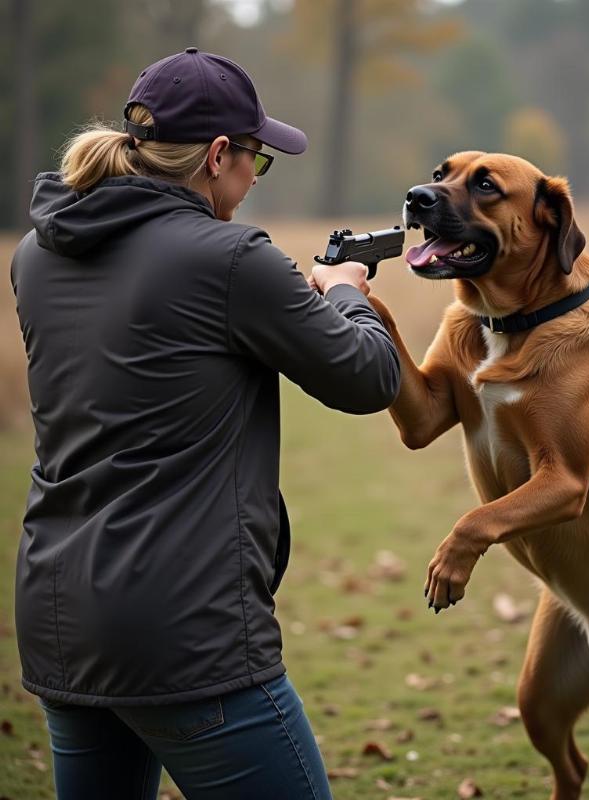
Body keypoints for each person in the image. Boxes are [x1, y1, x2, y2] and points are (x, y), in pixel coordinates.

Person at [10, 48, 400, 800]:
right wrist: (347, 291)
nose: (255, 179)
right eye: (256, 159)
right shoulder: (228, 258)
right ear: (218, 155)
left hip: (62, 620)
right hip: (186, 634)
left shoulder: (36, 255)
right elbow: (368, 378)